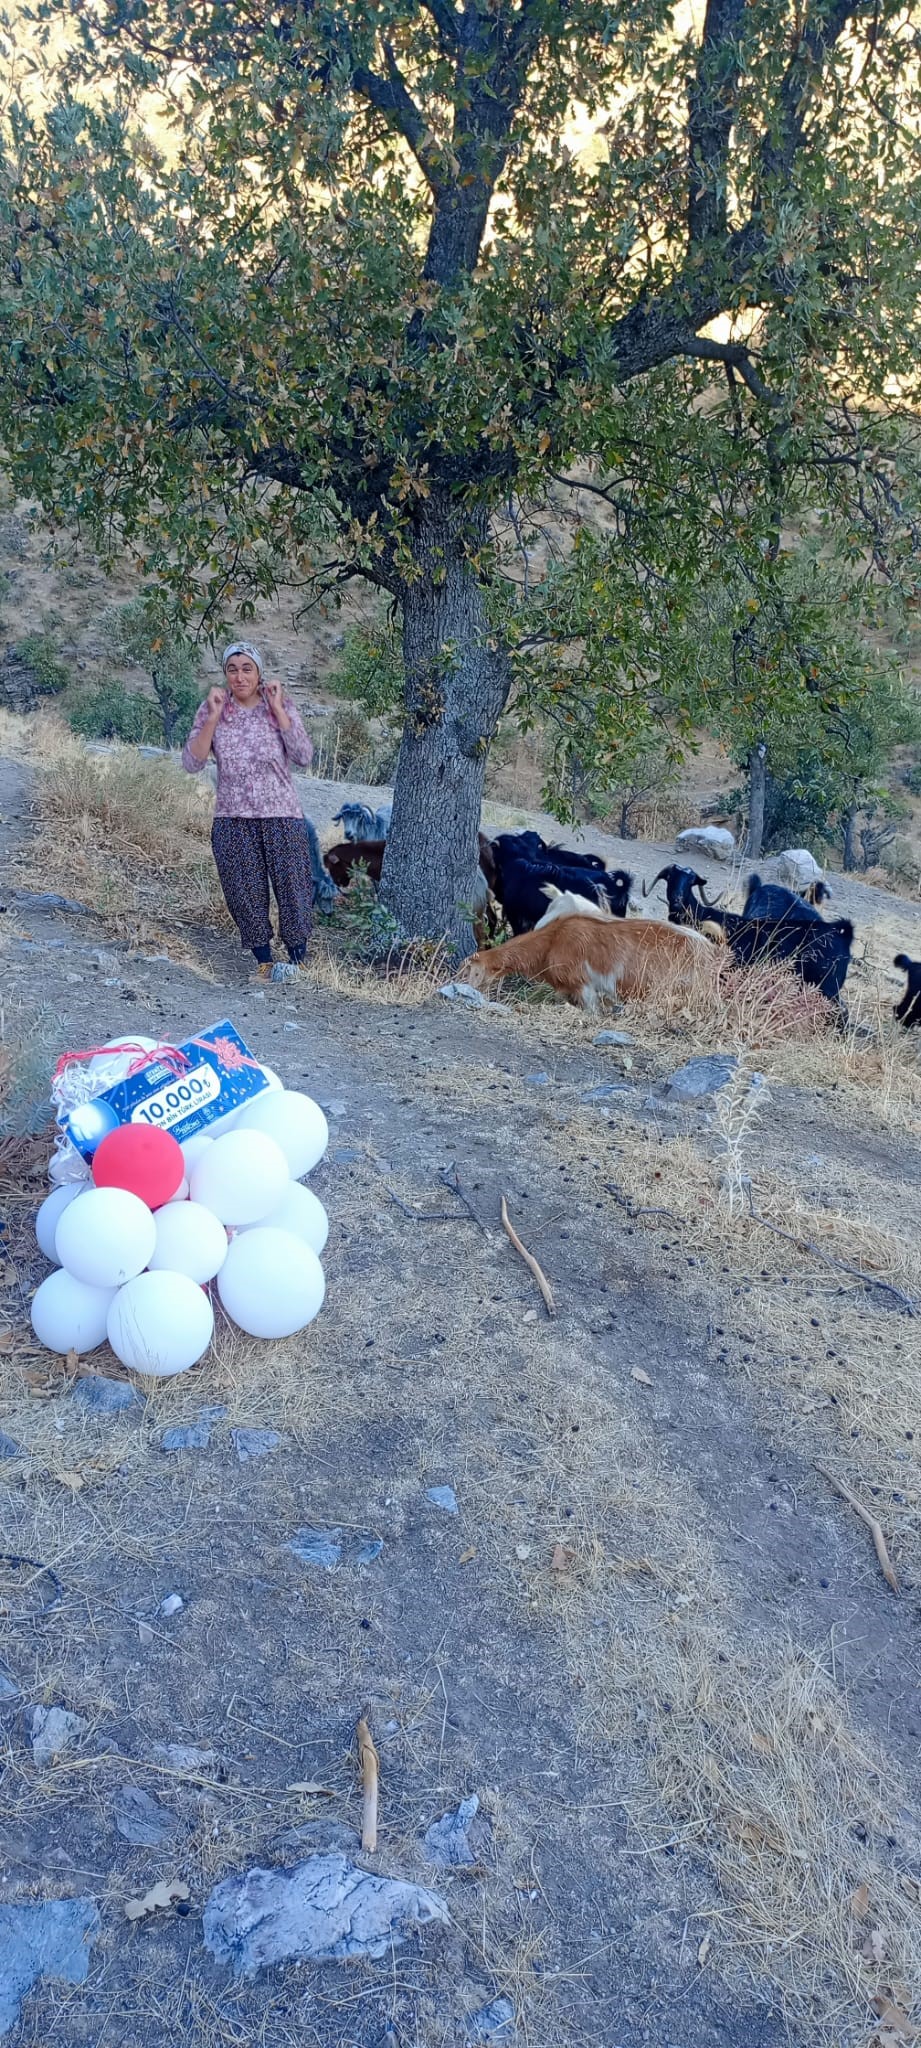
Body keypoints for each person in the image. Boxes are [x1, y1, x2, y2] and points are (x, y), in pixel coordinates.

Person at [182, 641, 315, 981]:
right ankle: (264, 961)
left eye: (247, 669)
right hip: (233, 817)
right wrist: (212, 717)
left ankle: (299, 961)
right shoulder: (213, 708)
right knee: (244, 891)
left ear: (259, 673)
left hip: (281, 814)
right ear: (225, 674)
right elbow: (192, 762)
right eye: (232, 669)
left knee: (293, 888)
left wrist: (279, 710)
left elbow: (303, 755)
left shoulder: (279, 705)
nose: (239, 676)